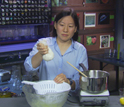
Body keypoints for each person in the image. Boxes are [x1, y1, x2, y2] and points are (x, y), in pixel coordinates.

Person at [24, 8, 88, 91]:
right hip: (46, 96)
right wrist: (40, 53)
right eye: (61, 25)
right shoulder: (43, 43)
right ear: (55, 25)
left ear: (75, 29)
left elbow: (81, 82)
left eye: (70, 26)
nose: (65, 30)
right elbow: (29, 68)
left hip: (70, 99)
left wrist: (68, 82)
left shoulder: (80, 50)